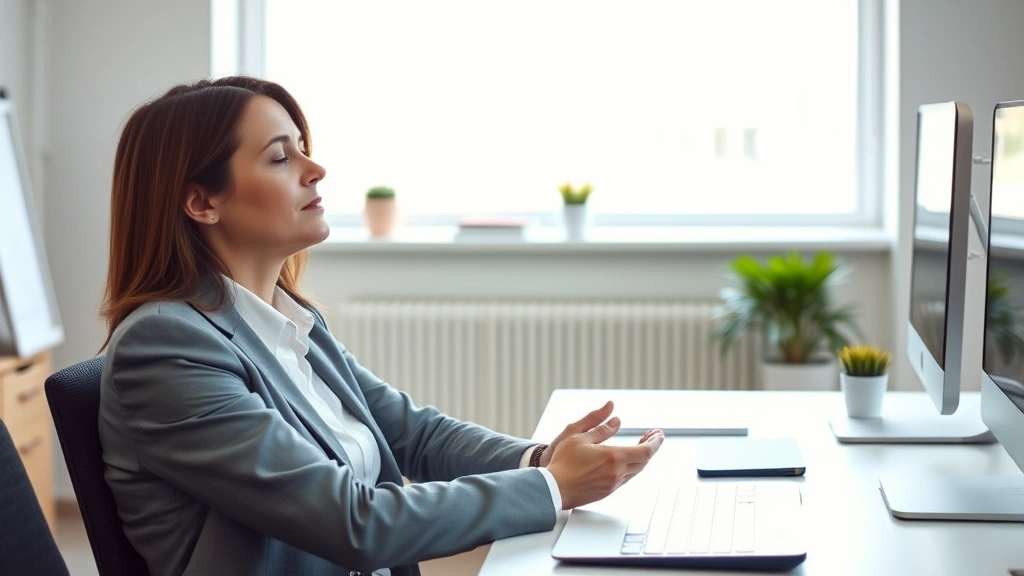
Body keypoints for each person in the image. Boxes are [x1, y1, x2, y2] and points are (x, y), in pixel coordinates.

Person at [97, 76, 664, 576]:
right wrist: (554, 486)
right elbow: (353, 523)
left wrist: (541, 459)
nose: (315, 169)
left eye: (304, 149)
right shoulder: (167, 345)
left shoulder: (287, 320)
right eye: (280, 157)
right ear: (202, 202)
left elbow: (412, 433)